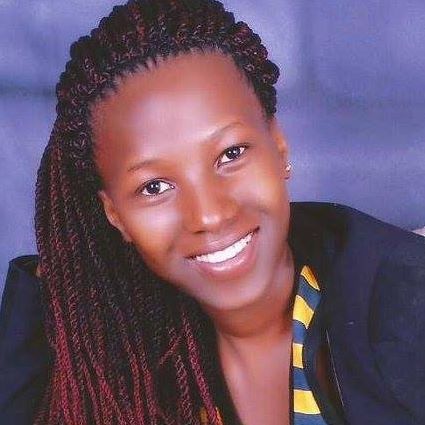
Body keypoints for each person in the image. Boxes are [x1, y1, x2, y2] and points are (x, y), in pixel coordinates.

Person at [1, 0, 425, 424]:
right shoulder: (126, 358)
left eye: (231, 154)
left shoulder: (402, 308)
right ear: (114, 215)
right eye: (154, 187)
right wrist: (68, 277)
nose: (209, 216)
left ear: (279, 146)